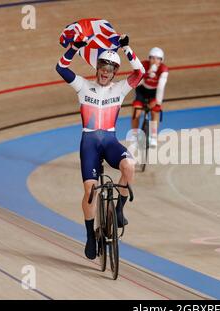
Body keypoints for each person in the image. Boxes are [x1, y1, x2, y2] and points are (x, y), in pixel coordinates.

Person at [56, 35, 145, 259]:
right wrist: (74, 47)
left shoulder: (120, 89)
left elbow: (140, 72)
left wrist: (126, 48)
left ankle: (118, 210)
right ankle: (89, 236)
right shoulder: (83, 86)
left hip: (110, 141)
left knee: (130, 166)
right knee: (89, 191)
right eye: (103, 68)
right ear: (97, 69)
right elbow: (60, 67)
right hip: (89, 144)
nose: (106, 72)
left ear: (115, 72)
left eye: (110, 69)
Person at [131, 47, 169, 147]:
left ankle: (153, 137)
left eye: (158, 58)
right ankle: (134, 137)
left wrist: (158, 104)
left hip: (154, 92)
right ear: (149, 58)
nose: (154, 61)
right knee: (137, 112)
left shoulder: (163, 70)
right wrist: (146, 75)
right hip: (142, 90)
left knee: (154, 112)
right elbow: (136, 81)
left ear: (161, 60)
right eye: (152, 58)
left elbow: (160, 87)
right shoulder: (144, 65)